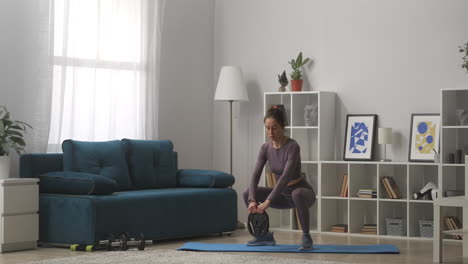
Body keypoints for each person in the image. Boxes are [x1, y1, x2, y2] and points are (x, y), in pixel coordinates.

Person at [243, 104, 316, 251]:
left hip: (302, 193)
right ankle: (263, 236)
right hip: (281, 195)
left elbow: (285, 177)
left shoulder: (293, 147)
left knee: (297, 193)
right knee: (247, 193)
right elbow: (256, 174)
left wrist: (268, 201)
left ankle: (306, 237)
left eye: (274, 128)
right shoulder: (265, 148)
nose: (270, 132)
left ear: (283, 126)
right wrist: (252, 200)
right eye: (268, 128)